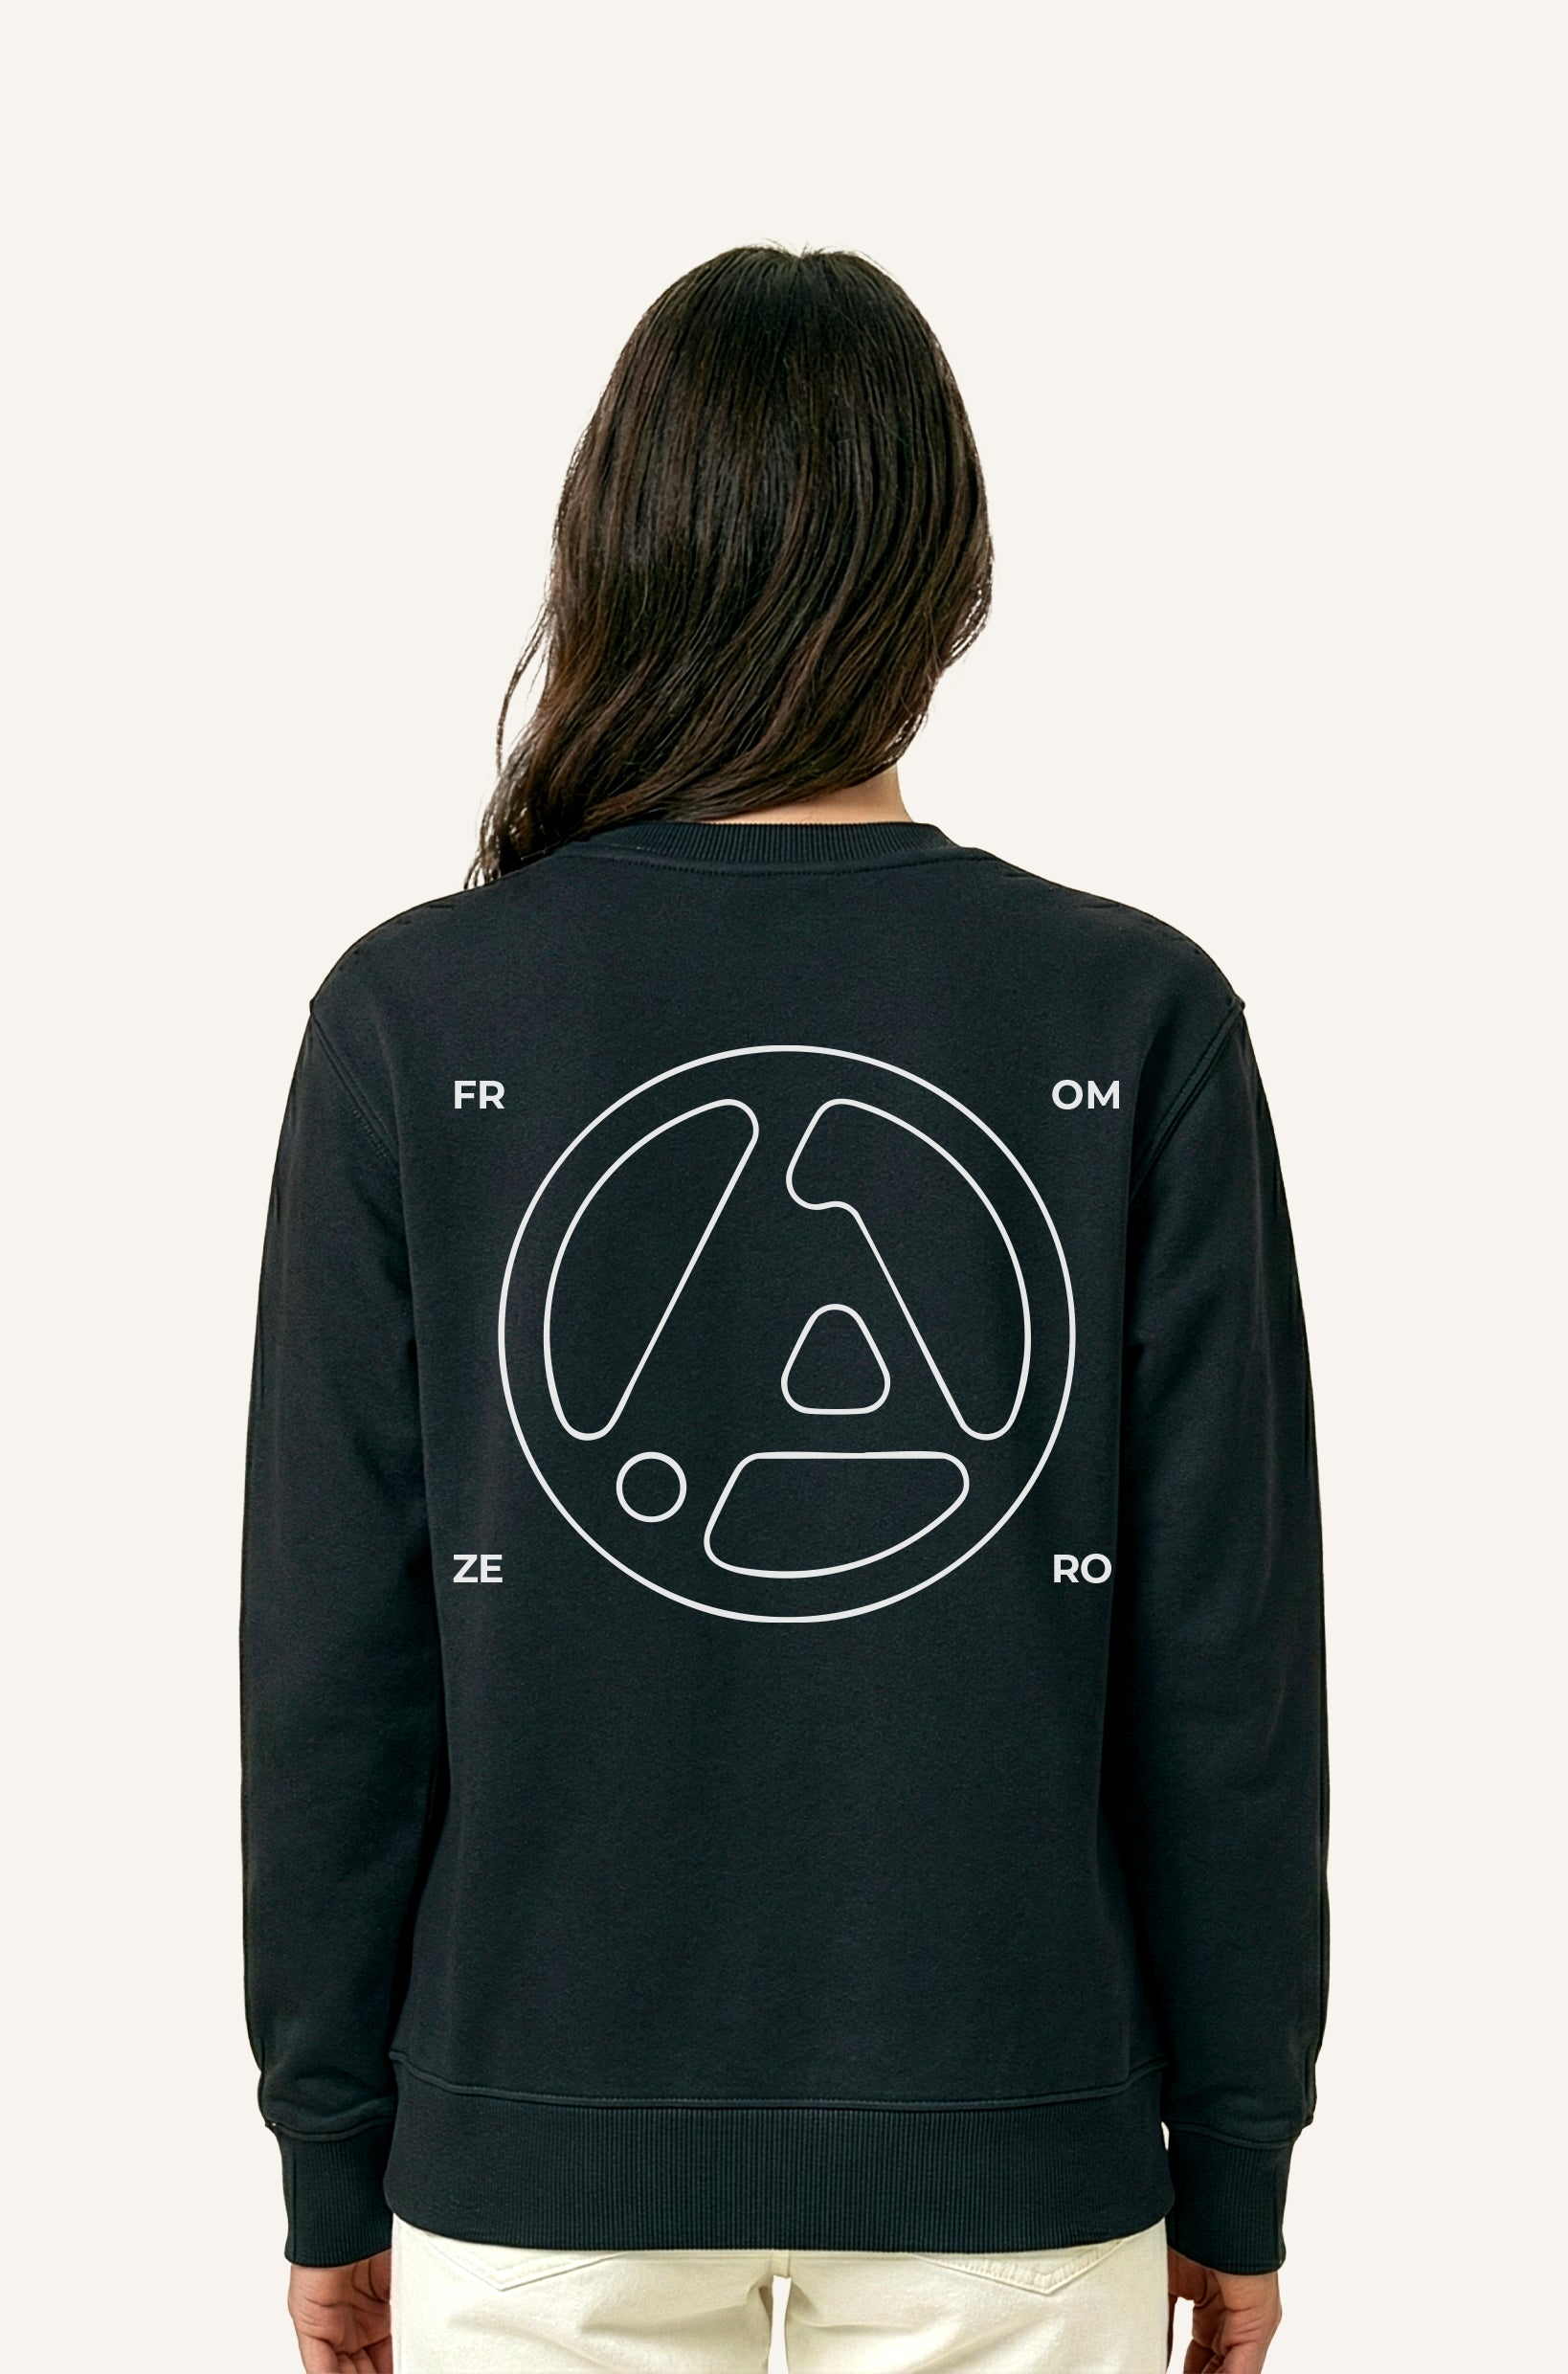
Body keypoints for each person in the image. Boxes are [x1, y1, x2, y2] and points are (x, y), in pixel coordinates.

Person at [241, 246, 1326, 2374]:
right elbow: (1227, 1671)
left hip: (532, 2171)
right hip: (1014, 2164)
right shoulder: (1128, 1012)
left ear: (614, 551)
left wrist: (331, 2154)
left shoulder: (416, 1014)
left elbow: (330, 1663)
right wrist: (1236, 2163)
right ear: (948, 577)